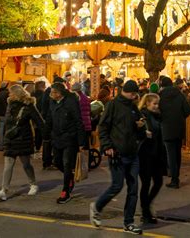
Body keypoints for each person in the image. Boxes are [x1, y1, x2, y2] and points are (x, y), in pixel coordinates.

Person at [90, 79, 145, 234]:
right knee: (117, 185)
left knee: (133, 189)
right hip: (118, 153)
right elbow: (103, 127)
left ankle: (128, 223)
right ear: (127, 91)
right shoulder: (112, 105)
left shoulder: (134, 108)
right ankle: (97, 206)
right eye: (133, 93)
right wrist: (107, 146)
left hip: (132, 153)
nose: (134, 96)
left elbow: (139, 130)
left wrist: (141, 127)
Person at [0, 84, 44, 201]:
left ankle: (33, 184)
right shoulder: (10, 104)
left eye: (11, 93)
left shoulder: (28, 106)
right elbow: (7, 122)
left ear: (17, 94)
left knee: (26, 164)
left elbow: (39, 121)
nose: (9, 94)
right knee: (8, 165)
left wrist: (45, 136)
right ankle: (4, 191)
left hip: (23, 139)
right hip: (11, 139)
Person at [46, 81, 86, 204]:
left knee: (67, 163)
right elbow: (49, 118)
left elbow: (78, 121)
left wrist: (81, 142)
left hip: (69, 137)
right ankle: (69, 178)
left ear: (60, 93)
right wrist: (46, 135)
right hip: (56, 137)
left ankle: (65, 191)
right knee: (57, 162)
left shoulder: (71, 102)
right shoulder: (52, 102)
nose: (51, 94)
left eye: (53, 92)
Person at [159, 76, 190, 188]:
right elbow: (187, 110)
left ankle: (174, 179)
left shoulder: (160, 97)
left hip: (167, 128)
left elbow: (157, 112)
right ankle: (176, 176)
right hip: (179, 127)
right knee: (177, 153)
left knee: (170, 154)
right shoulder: (180, 95)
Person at [138, 93, 164, 224]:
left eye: (157, 103)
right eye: (154, 103)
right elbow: (135, 131)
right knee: (146, 183)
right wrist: (143, 132)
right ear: (147, 103)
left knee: (158, 181)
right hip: (145, 155)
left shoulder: (157, 116)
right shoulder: (142, 116)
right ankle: (145, 212)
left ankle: (146, 206)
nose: (156, 106)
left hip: (156, 154)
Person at [72, 82, 92, 146]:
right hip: (87, 123)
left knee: (80, 145)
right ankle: (86, 155)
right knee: (85, 144)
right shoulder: (85, 97)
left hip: (81, 124)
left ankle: (82, 156)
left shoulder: (76, 98)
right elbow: (89, 110)